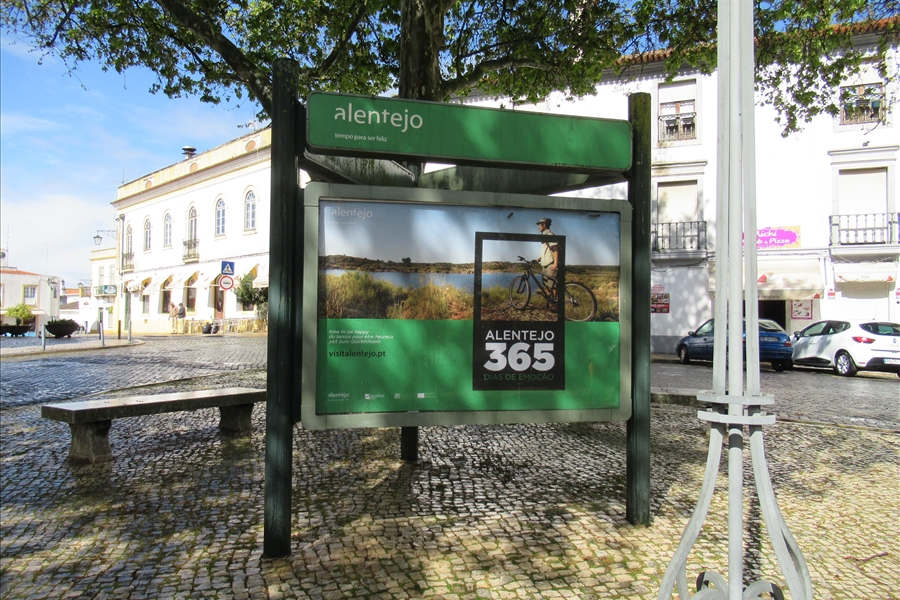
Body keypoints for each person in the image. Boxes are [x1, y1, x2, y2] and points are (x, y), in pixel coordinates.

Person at [536, 217, 560, 302]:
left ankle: (554, 303)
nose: (538, 227)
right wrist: (541, 257)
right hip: (545, 263)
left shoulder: (549, 234)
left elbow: (555, 249)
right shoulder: (544, 235)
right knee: (546, 285)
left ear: (544, 225)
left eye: (539, 225)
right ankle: (549, 303)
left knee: (552, 285)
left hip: (550, 263)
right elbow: (548, 249)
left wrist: (555, 264)